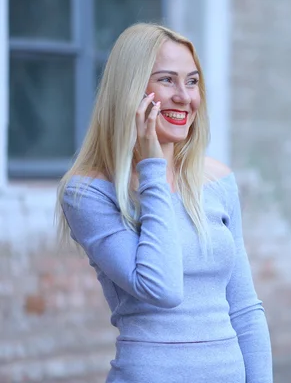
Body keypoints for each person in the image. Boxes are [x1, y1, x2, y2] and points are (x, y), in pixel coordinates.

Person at [55, 22, 273, 383]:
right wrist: (154, 169)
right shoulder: (88, 193)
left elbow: (245, 308)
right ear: (131, 90)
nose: (184, 97)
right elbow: (163, 288)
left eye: (191, 81)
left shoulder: (217, 181)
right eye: (167, 80)